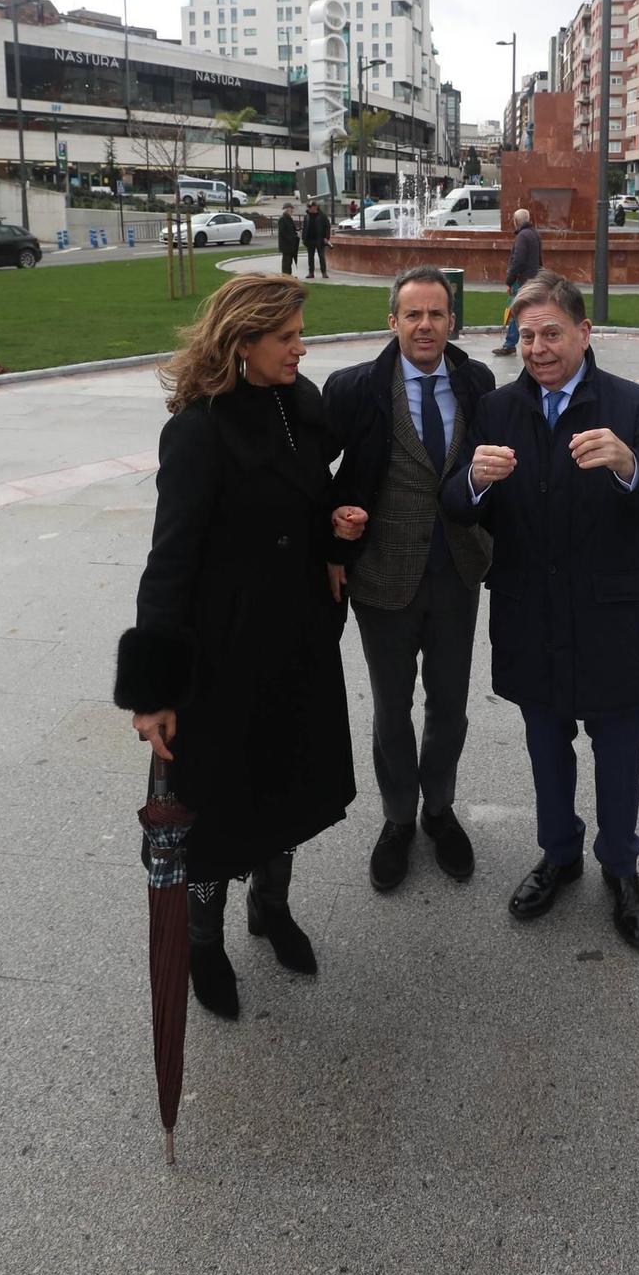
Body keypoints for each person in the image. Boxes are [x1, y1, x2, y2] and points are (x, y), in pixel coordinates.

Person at [114, 275, 366, 1017]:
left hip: (295, 641)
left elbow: (305, 506)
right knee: (219, 809)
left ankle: (273, 908)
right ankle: (203, 942)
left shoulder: (298, 407)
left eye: (298, 334)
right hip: (220, 655)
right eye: (286, 337)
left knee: (287, 786)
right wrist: (152, 691)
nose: (300, 347)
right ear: (243, 342)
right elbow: (170, 558)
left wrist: (335, 529)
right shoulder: (197, 430)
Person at [443, 276, 639, 950]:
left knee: (617, 751)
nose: (537, 347)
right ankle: (558, 854)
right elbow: (455, 504)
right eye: (525, 335)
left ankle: (621, 867)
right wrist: (473, 479)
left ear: (584, 333)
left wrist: (627, 465)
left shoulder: (635, 408)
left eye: (551, 332)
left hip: (612, 615)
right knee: (545, 747)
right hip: (530, 612)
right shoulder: (496, 408)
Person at [324, 266, 495, 892]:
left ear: (454, 321)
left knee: (449, 706)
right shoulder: (355, 389)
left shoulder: (477, 382)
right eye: (413, 314)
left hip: (457, 573)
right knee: (392, 710)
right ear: (392, 321)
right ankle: (398, 819)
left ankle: (439, 810)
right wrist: (331, 523)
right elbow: (311, 470)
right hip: (382, 578)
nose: (426, 325)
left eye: (437, 314)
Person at [493, 207, 543, 358]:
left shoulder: (522, 236)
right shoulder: (535, 234)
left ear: (516, 221)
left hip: (522, 280)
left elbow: (518, 261)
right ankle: (520, 342)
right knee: (526, 311)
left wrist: (510, 281)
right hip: (534, 278)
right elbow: (539, 259)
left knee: (516, 311)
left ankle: (510, 345)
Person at [302, 199, 331, 280]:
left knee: (321, 256)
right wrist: (304, 238)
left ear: (316, 207)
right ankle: (311, 273)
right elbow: (304, 228)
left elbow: (327, 227)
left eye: (312, 207)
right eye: (309, 207)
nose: (310, 209)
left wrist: (326, 237)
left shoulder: (322, 216)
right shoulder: (307, 216)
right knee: (310, 257)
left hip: (320, 239)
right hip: (309, 239)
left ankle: (324, 272)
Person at [278, 202, 300, 277]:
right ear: (287, 209)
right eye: (291, 209)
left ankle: (289, 276)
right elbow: (283, 232)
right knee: (286, 262)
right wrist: (291, 238)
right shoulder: (282, 219)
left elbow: (291, 229)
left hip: (291, 244)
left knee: (289, 261)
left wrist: (297, 230)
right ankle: (285, 276)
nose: (292, 210)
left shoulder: (289, 218)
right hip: (286, 245)